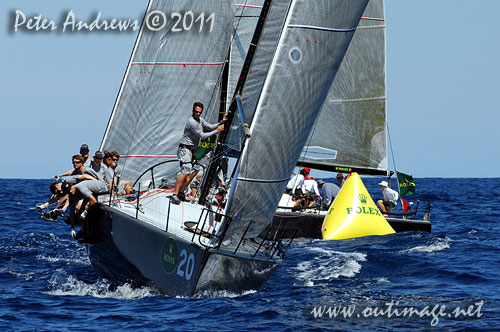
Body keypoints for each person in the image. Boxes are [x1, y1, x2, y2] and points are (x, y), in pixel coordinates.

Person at [171, 102, 226, 204]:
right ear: (193, 111)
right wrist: (217, 131)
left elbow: (209, 127)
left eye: (200, 112)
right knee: (186, 170)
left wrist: (220, 122)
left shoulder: (200, 120)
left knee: (195, 170)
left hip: (193, 150)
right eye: (196, 112)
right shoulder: (191, 122)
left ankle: (181, 192)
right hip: (185, 149)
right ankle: (175, 194)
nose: (198, 114)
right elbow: (203, 136)